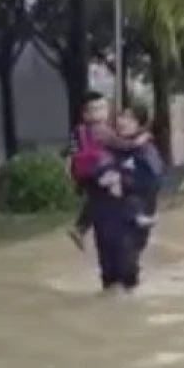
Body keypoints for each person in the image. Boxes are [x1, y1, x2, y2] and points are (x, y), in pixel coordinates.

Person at [84, 103, 164, 293]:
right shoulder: (109, 147)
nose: (123, 121)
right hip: (105, 221)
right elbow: (92, 175)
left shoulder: (146, 151)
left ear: (140, 124)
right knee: (108, 274)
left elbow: (154, 181)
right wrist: (99, 178)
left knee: (127, 270)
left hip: (131, 221)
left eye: (130, 118)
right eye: (121, 116)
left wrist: (123, 181)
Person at [67, 91, 112, 251]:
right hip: (90, 172)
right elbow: (73, 154)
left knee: (99, 200)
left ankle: (82, 228)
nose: (100, 113)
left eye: (103, 108)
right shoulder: (82, 131)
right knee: (99, 199)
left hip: (100, 171)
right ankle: (80, 228)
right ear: (85, 114)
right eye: (95, 109)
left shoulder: (108, 129)